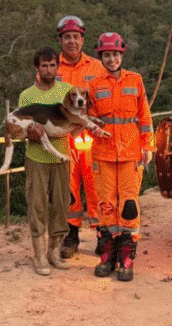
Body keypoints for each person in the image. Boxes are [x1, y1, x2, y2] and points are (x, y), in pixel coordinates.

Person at [87, 32, 154, 281]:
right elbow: (88, 117)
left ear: (121, 54)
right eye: (107, 54)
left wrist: (148, 147)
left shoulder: (135, 81)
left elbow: (145, 117)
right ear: (101, 57)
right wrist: (91, 126)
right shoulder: (94, 86)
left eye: (115, 54)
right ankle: (108, 256)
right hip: (103, 154)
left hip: (130, 153)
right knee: (105, 204)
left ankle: (127, 257)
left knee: (128, 204)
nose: (112, 58)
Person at [16, 46, 79, 275]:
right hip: (37, 157)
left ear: (57, 67)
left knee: (61, 204)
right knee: (38, 205)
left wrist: (77, 130)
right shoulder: (27, 95)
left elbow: (77, 119)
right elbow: (19, 129)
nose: (49, 69)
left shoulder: (67, 91)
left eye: (53, 65)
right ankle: (39, 254)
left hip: (62, 158)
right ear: (37, 68)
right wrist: (28, 133)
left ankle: (55, 250)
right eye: (44, 65)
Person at [54, 15, 108, 258]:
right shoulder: (52, 67)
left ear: (82, 39)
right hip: (65, 138)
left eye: (76, 37)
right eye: (67, 37)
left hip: (91, 138)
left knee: (96, 186)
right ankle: (71, 235)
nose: (72, 41)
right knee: (69, 188)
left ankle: (102, 234)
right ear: (60, 40)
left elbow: (103, 100)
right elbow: (45, 102)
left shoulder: (97, 67)